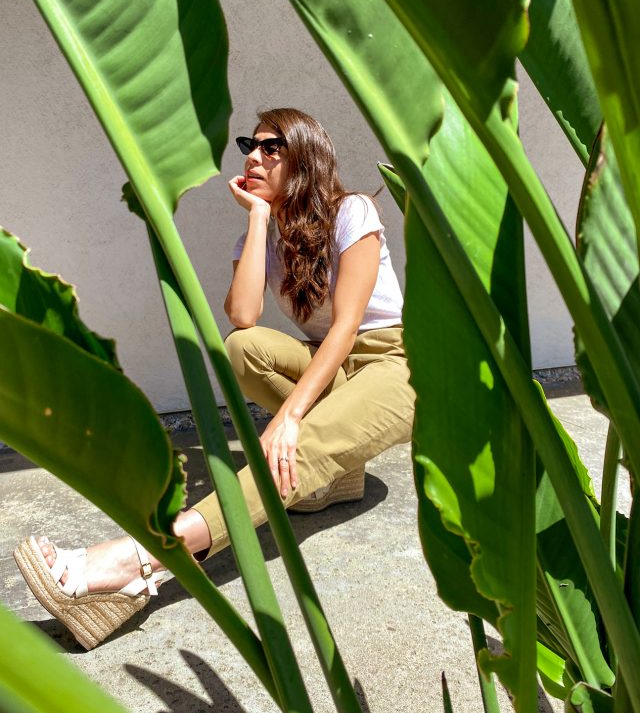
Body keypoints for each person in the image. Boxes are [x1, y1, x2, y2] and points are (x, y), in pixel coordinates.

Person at [14, 108, 415, 650]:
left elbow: (346, 327)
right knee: (242, 349)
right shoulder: (264, 235)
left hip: (394, 365)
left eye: (271, 147)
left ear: (305, 157)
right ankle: (336, 476)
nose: (253, 156)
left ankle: (143, 560)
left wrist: (290, 416)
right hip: (333, 366)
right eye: (250, 145)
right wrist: (258, 220)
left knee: (297, 442)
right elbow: (244, 317)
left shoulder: (353, 211)